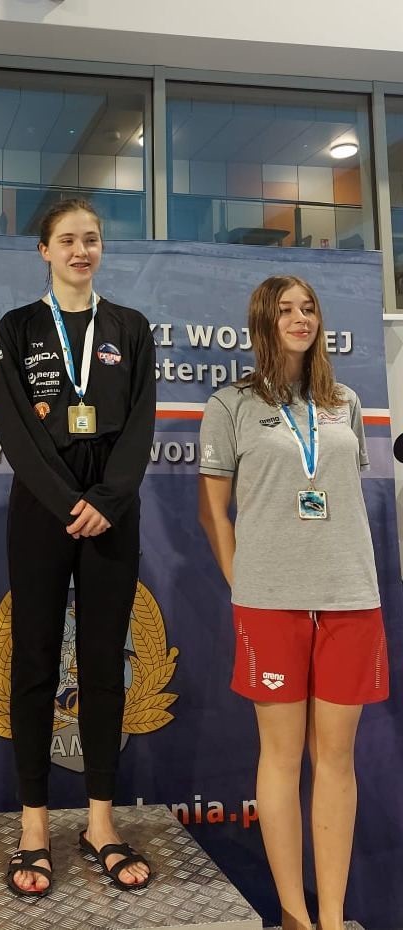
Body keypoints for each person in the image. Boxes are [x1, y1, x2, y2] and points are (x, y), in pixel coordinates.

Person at [198, 275, 389, 930]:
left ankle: (331, 918)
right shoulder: (230, 405)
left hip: (349, 597)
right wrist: (245, 583)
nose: (300, 318)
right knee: (279, 760)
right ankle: (293, 916)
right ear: (263, 321)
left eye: (308, 308)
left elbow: (342, 494)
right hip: (270, 604)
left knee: (335, 761)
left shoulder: (346, 403)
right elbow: (213, 513)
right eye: (285, 310)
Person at [0, 199, 156, 897]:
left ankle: (99, 822)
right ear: (45, 250)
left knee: (103, 664)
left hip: (112, 510)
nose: (80, 250)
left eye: (91, 239)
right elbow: (12, 425)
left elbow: (142, 421)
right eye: (67, 240)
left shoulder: (131, 327)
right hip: (42, 507)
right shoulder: (18, 326)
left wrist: (107, 500)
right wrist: (67, 503)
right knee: (33, 662)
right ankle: (34, 826)